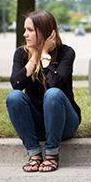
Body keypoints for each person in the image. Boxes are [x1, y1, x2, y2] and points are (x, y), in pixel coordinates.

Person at [6, 10, 81, 172]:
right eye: (25, 30)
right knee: (14, 97)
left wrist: (44, 55)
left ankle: (52, 154)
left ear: (47, 31)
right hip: (37, 125)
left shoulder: (66, 52)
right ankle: (34, 154)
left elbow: (55, 82)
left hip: (64, 124)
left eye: (30, 30)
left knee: (53, 94)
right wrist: (34, 58)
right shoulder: (21, 54)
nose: (25, 34)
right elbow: (16, 84)